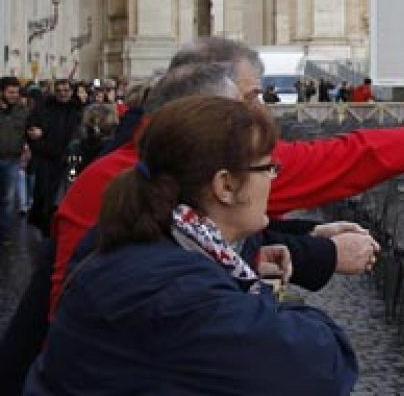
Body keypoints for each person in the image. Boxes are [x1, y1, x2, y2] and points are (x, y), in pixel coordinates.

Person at [40, 37, 404, 318]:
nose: (260, 112)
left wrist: (296, 242)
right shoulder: (221, 164)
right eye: (250, 98)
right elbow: (346, 158)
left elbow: (200, 250)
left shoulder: (121, 172)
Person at [30, 97, 358, 394]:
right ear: (225, 185)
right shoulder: (175, 292)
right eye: (268, 168)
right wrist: (262, 291)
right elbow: (325, 365)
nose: (274, 179)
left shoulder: (143, 243)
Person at [25, 81, 82, 231]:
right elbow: (31, 132)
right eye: (59, 91)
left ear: (71, 91)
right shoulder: (44, 109)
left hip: (70, 162)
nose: (63, 93)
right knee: (46, 199)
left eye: (66, 90)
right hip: (47, 161)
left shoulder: (78, 110)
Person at [0, 78, 28, 244]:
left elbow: (27, 131)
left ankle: (4, 235)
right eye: (10, 92)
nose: (14, 96)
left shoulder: (22, 110)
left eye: (16, 92)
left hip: (12, 159)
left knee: (8, 199)